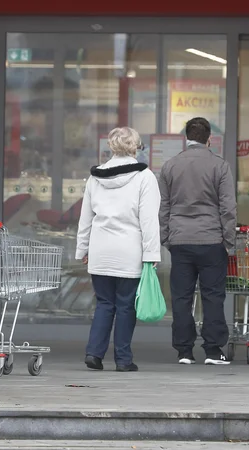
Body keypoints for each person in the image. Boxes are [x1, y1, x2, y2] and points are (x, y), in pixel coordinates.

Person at [76, 126, 161, 372]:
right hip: (130, 251)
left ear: (111, 147)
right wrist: (151, 254)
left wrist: (83, 249)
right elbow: (148, 221)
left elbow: (86, 218)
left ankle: (94, 354)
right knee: (125, 305)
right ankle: (123, 360)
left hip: (101, 248)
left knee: (104, 303)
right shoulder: (144, 177)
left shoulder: (95, 177)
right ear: (135, 147)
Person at [159, 117, 236, 366]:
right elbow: (228, 208)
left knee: (182, 297)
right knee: (213, 296)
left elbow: (163, 206)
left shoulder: (170, 166)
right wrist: (229, 241)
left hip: (180, 240)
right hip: (212, 239)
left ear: (187, 138)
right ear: (209, 139)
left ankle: (184, 351)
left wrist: (165, 238)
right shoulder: (220, 166)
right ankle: (213, 350)